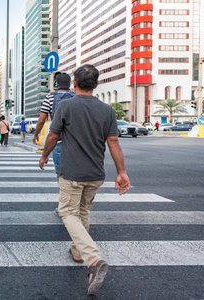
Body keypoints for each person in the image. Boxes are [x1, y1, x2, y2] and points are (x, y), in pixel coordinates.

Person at [38, 65, 131, 295]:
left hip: (72, 172)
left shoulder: (66, 106)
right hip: (95, 174)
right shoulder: (107, 110)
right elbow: (113, 144)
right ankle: (77, 251)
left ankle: (93, 259)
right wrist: (122, 173)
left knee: (68, 212)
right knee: (82, 212)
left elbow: (53, 135)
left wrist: (44, 155)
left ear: (75, 84)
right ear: (96, 85)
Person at [33, 73, 74, 176]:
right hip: (75, 143)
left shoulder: (50, 98)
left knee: (61, 175)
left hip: (59, 142)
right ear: (70, 84)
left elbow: (42, 119)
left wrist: (36, 134)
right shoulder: (76, 97)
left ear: (56, 84)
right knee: (76, 175)